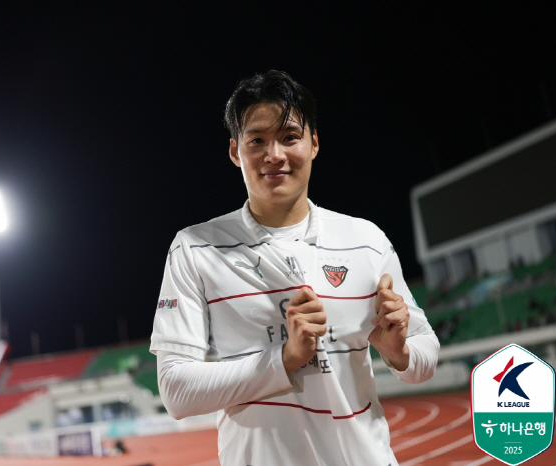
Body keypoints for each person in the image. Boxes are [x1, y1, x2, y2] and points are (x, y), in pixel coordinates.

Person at [150, 70, 439, 465]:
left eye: (289, 137)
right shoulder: (195, 249)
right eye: (257, 140)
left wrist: (399, 352)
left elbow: (425, 356)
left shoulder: (366, 240)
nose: (274, 154)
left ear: (313, 143)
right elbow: (176, 392)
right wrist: (284, 357)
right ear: (235, 151)